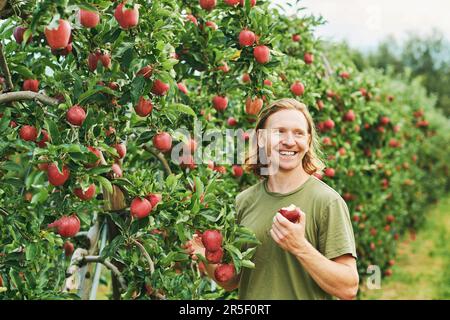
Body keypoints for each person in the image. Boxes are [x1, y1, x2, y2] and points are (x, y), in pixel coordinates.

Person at [185, 98, 358, 300]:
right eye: (280, 132)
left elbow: (348, 288)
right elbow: (233, 281)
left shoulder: (327, 202)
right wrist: (205, 254)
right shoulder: (245, 201)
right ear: (260, 138)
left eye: (298, 133)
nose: (290, 141)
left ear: (308, 141)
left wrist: (299, 246)